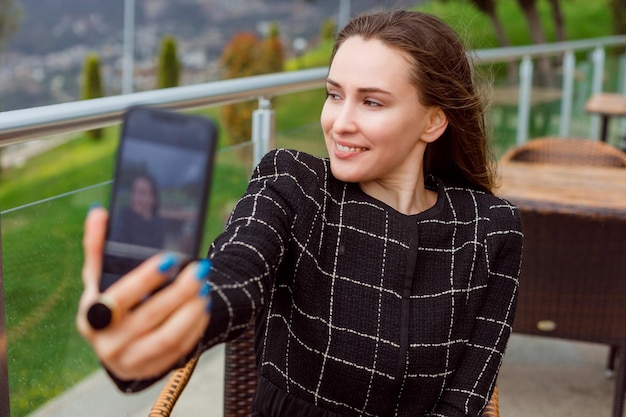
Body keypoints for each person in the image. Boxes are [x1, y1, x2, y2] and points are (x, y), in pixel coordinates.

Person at [77, 10, 523, 417]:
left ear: (432, 122)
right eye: (334, 95)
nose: (339, 122)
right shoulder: (291, 183)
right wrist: (142, 328)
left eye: (371, 102)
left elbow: (466, 398)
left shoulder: (490, 228)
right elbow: (236, 279)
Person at [108, 173, 166, 248]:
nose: (135, 197)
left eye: (142, 193)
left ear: (154, 199)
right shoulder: (123, 218)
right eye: (134, 191)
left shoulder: (159, 225)